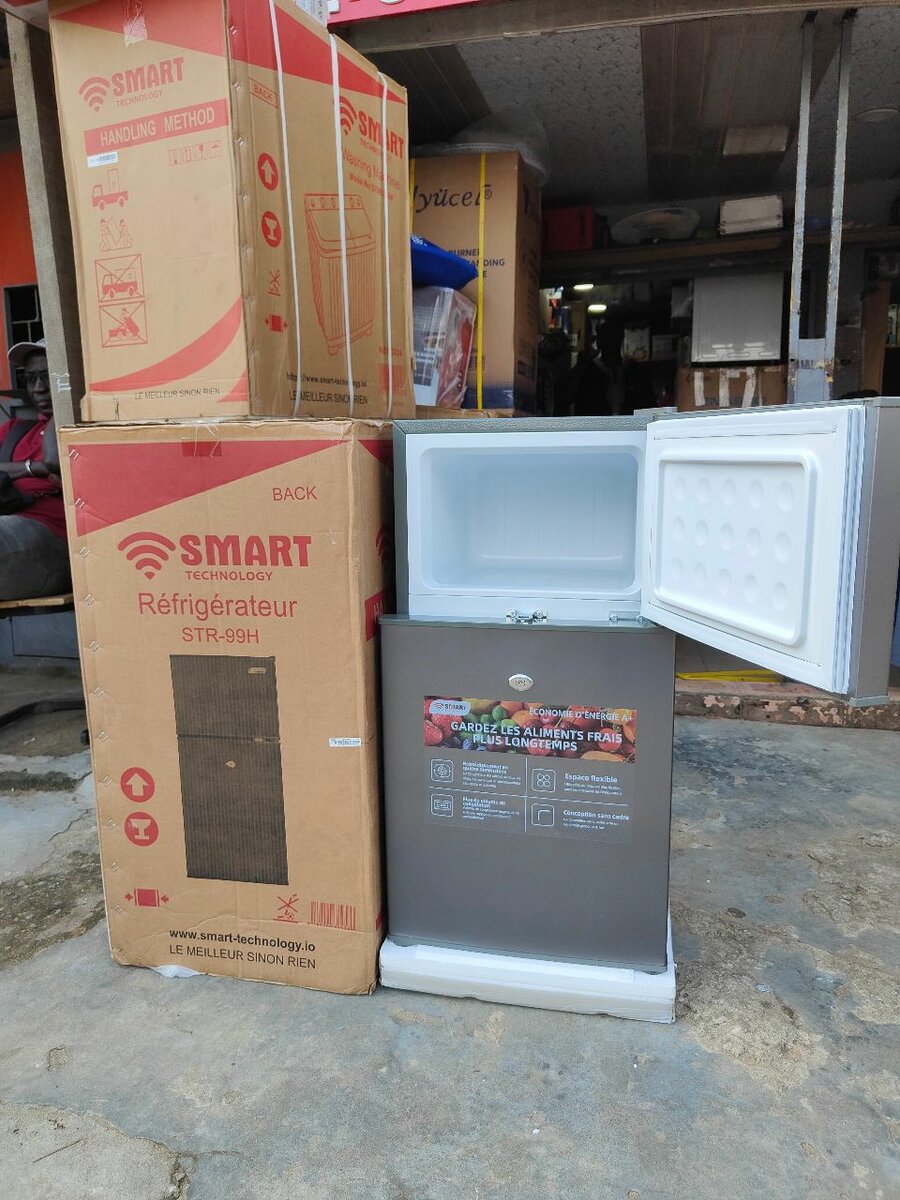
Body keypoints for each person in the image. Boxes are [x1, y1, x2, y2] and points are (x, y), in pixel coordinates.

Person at [0, 339, 71, 600]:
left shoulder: (80, 427)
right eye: (31, 379)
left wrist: (65, 405)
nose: (39, 388)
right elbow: (46, 466)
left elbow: (54, 461)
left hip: (52, 538)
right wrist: (32, 468)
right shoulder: (16, 430)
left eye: (49, 376)